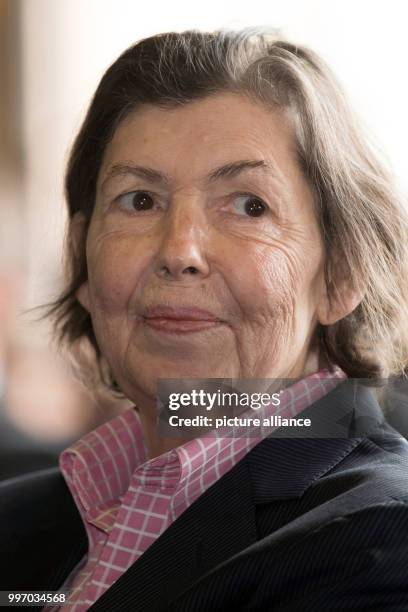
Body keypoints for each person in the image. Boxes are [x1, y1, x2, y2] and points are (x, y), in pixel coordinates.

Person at [2, 29, 408, 611]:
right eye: (139, 200)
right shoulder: (17, 526)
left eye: (249, 206)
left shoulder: (380, 541)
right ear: (82, 262)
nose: (180, 250)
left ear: (341, 275)